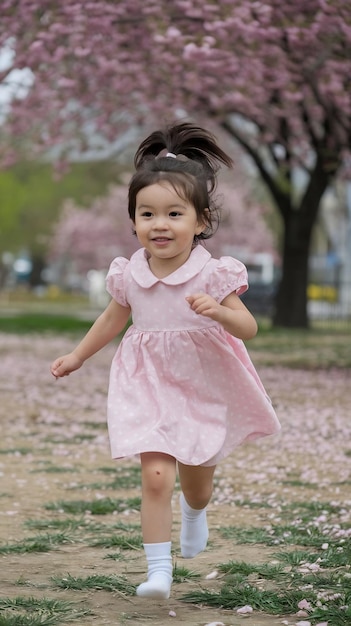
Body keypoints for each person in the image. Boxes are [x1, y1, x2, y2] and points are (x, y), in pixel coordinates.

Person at [51, 121, 280, 600]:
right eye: (147, 213)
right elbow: (113, 320)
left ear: (199, 221)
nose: (160, 224)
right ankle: (159, 572)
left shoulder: (214, 273)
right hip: (148, 383)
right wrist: (77, 355)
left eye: (174, 213)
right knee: (156, 476)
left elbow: (250, 328)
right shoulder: (130, 273)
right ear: (133, 221)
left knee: (196, 483)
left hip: (203, 384)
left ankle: (196, 512)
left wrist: (219, 311)